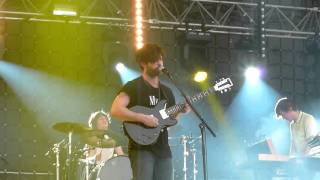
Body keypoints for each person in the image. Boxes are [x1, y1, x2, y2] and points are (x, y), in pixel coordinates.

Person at [111, 43, 190, 180]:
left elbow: (169, 122)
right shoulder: (133, 86)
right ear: (143, 63)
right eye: (154, 60)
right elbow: (115, 110)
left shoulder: (167, 91)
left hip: (163, 150)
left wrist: (181, 112)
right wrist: (142, 118)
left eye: (160, 59)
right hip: (141, 149)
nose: (159, 63)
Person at [81, 110, 124, 180]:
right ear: (95, 123)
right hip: (94, 171)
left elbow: (121, 156)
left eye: (105, 119)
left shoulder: (113, 137)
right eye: (101, 119)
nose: (105, 120)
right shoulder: (91, 138)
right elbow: (90, 159)